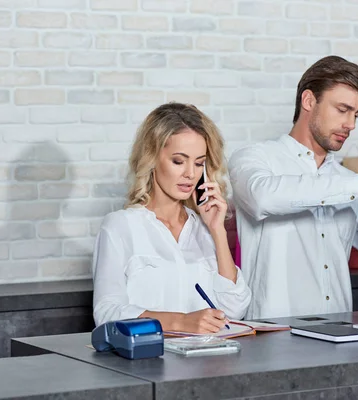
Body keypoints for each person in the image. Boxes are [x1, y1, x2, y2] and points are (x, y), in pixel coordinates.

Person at [229, 55, 358, 319]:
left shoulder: (347, 182)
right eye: (342, 110)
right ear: (308, 101)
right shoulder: (254, 158)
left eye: (356, 114)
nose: (351, 124)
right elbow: (263, 198)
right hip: (274, 334)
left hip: (340, 332)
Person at [92, 103, 251, 333]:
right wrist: (181, 322)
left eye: (199, 163)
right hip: (146, 364)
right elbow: (107, 313)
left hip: (207, 363)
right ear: (152, 158)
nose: (190, 173)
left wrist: (218, 231)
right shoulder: (120, 226)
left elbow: (236, 310)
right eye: (178, 161)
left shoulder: (205, 229)